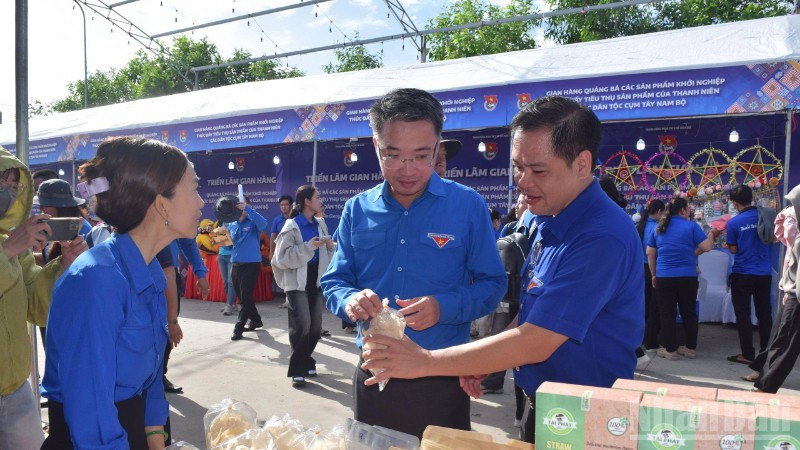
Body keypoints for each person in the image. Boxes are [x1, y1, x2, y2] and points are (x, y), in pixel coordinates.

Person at [356, 96, 645, 444]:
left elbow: (538, 339)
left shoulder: (600, 237)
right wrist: (486, 359)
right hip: (545, 403)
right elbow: (536, 313)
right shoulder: (549, 218)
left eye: (538, 171)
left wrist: (426, 361)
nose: (522, 181)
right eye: (518, 167)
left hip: (587, 415)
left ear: (582, 164)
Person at [321, 87, 506, 439]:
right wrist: (349, 299)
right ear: (376, 146)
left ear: (437, 148)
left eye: (421, 156)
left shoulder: (467, 206)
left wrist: (443, 307)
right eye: (393, 155)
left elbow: (493, 284)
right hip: (375, 375)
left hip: (442, 375)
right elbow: (335, 280)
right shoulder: (357, 209)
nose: (407, 170)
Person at [40, 136, 203, 449]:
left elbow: (151, 381)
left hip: (130, 428)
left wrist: (156, 441)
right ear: (162, 204)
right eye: (194, 188)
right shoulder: (96, 280)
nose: (201, 202)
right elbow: (90, 413)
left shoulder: (149, 270)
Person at [0, 148, 87, 450]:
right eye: (1, 181)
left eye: (14, 184)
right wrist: (6, 252)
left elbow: (37, 308)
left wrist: (62, 266)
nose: (8, 191)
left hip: (15, 390)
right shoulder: (11, 244)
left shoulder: (11, 240)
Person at [272, 185, 334, 387]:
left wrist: (330, 247)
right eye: (317, 197)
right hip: (296, 282)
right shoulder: (292, 226)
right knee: (302, 325)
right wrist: (309, 246)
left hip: (315, 279)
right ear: (307, 201)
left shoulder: (320, 224)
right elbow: (281, 258)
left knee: (315, 328)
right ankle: (298, 369)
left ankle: (307, 360)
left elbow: (328, 254)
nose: (321, 201)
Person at [646, 197, 718, 360]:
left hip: (664, 277)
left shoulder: (659, 227)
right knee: (689, 313)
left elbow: (650, 253)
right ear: (683, 210)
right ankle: (690, 348)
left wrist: (654, 274)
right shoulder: (691, 226)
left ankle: (670, 350)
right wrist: (712, 234)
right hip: (687, 277)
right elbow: (707, 247)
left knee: (667, 314)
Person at [748, 185, 800, 392]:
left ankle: (766, 385)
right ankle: (764, 379)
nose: (791, 208)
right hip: (793, 290)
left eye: (794, 204)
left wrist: (792, 291)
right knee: (781, 338)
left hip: (796, 294)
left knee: (785, 341)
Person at [726, 185, 774, 365]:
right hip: (764, 273)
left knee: (743, 314)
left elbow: (733, 249)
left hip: (742, 273)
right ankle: (766, 352)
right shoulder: (766, 216)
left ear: (734, 203)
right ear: (751, 198)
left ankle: (747, 354)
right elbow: (773, 240)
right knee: (764, 313)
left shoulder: (733, 223)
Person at [223, 195, 269, 341]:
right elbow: (228, 245)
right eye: (237, 204)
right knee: (243, 297)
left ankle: (238, 328)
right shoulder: (232, 224)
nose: (239, 206)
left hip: (251, 264)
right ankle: (256, 320)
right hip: (236, 263)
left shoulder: (253, 221)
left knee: (246, 297)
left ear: (247, 204)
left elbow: (264, 223)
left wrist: (248, 209)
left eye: (242, 203)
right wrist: (218, 237)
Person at [636, 199, 665, 356]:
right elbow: (654, 252)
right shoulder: (657, 228)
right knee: (654, 307)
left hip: (640, 270)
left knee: (643, 306)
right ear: (659, 211)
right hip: (653, 269)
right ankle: (651, 340)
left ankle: (639, 338)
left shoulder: (640, 226)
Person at [212, 218, 238, 315]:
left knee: (231, 282)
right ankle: (232, 303)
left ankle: (229, 305)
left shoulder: (235, 223)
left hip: (232, 256)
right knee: (226, 282)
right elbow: (220, 242)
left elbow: (233, 242)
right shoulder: (219, 223)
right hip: (222, 255)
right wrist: (216, 237)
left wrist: (225, 238)